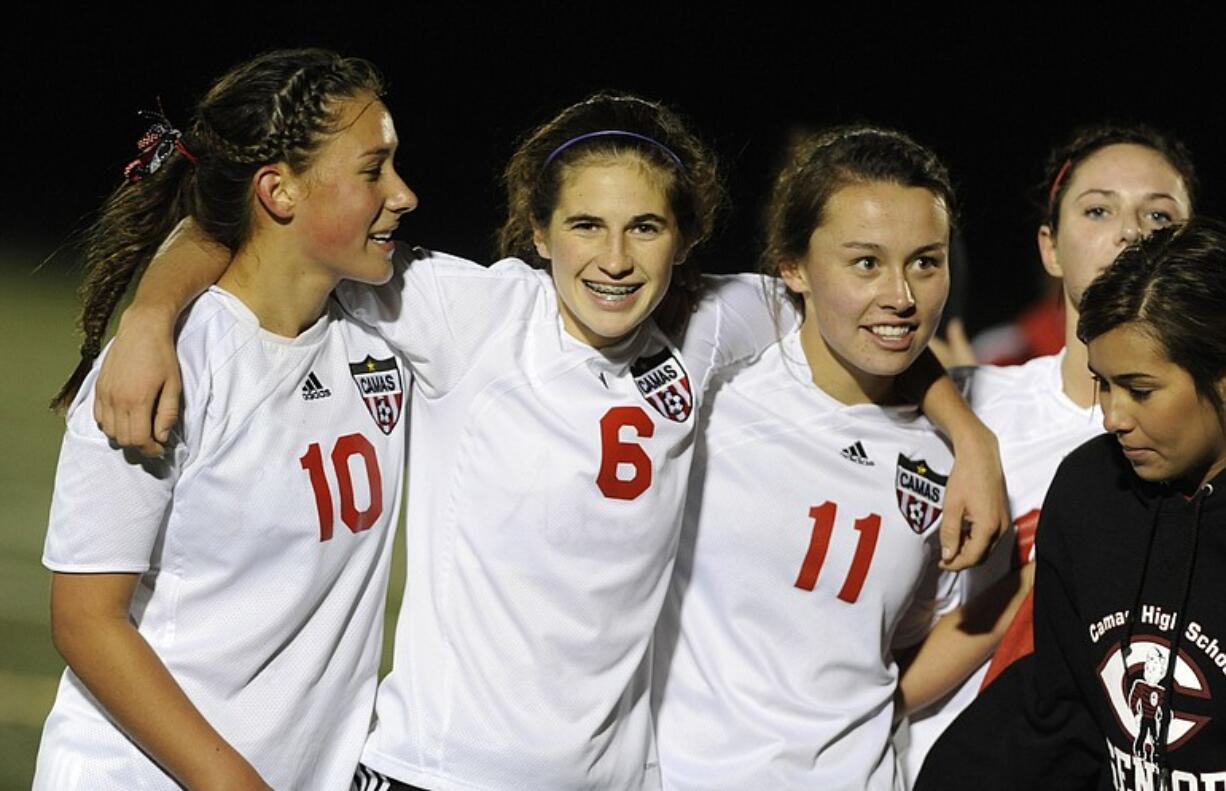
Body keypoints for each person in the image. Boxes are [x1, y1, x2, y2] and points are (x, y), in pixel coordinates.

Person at [91, 97, 1007, 789]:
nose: (615, 258)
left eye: (645, 227)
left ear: (683, 238)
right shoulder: (472, 312)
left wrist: (967, 436)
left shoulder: (713, 322)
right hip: (435, 773)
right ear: (537, 232)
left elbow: (868, 324)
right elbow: (274, 233)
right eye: (585, 226)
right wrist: (151, 313)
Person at [33, 49, 415, 790]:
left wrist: (152, 302)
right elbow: (86, 618)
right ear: (278, 190)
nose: (403, 194)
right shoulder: (167, 370)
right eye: (374, 170)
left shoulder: (390, 329)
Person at [651, 126, 1022, 789]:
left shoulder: (950, 457)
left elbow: (976, 613)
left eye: (925, 261)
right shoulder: (716, 390)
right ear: (792, 266)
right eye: (865, 262)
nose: (901, 296)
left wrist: (876, 712)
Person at [901, 123, 1197, 784]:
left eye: (1159, 214)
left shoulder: (1202, 443)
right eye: (1098, 209)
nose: (1130, 232)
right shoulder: (970, 404)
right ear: (1050, 247)